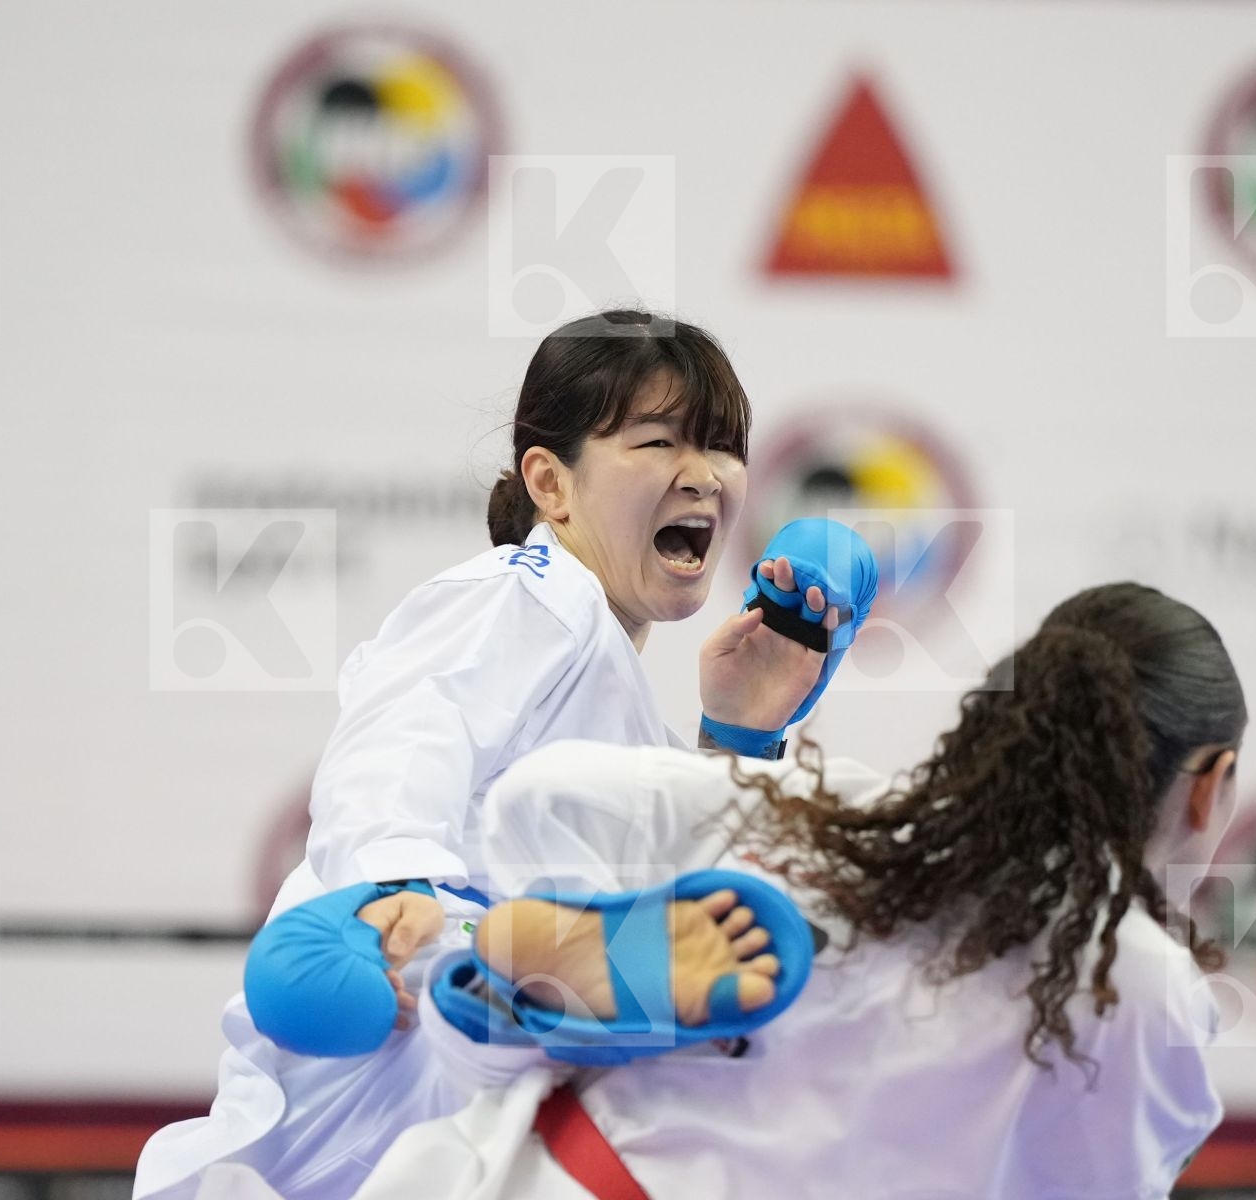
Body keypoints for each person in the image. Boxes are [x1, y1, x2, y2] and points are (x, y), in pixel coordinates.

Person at [134, 310, 839, 1200]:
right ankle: (514, 981)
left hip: (446, 1121)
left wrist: (741, 734)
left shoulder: (615, 693)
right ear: (552, 483)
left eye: (722, 447)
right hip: (382, 1026)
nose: (702, 476)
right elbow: (408, 726)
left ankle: (528, 985)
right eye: (660, 442)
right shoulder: (526, 596)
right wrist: (390, 888)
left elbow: (715, 906)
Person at [353, 581, 1245, 1200]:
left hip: (527, 1164)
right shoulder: (1139, 979)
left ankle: (544, 999)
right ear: (1212, 785)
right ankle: (550, 996)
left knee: (485, 1015)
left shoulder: (852, 816)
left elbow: (528, 799)